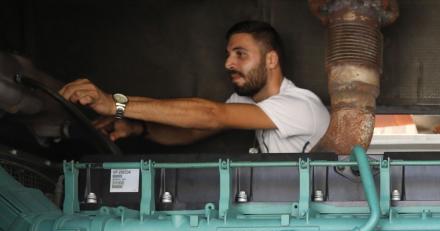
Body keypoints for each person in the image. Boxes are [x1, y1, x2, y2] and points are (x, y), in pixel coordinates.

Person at [58, 21, 329, 153]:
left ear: (271, 59)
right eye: (228, 55)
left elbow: (211, 115)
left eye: (240, 54)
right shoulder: (247, 104)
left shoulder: (299, 105)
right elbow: (192, 129)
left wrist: (114, 104)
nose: (228, 64)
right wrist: (137, 127)